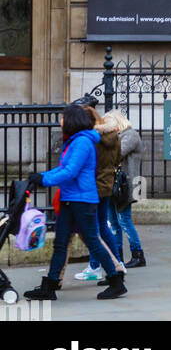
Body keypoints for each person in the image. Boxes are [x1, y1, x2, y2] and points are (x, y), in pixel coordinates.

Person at [24, 103, 126, 302]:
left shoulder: (82, 142)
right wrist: (41, 176)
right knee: (61, 243)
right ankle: (50, 286)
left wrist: (43, 180)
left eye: (64, 117)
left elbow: (70, 171)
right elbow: (62, 168)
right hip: (70, 199)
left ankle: (116, 281)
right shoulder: (74, 141)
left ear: (72, 121)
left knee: (92, 241)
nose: (61, 121)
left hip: (82, 200)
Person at [75, 106, 124, 283]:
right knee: (102, 226)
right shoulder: (114, 136)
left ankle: (95, 267)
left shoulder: (92, 138)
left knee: (93, 230)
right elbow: (119, 159)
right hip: (107, 185)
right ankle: (117, 262)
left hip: (93, 186)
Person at [104, 108, 146, 267]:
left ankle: (138, 255)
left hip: (126, 185)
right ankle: (117, 257)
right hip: (111, 184)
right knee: (113, 223)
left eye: (108, 124)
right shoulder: (116, 136)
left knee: (124, 221)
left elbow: (117, 154)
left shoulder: (131, 135)